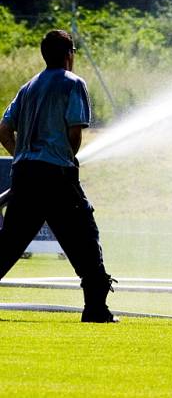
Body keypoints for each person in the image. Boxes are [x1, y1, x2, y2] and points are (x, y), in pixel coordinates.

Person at [0, 30, 118, 323]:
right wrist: (68, 157)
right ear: (69, 54)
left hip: (24, 175)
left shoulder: (28, 87)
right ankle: (96, 309)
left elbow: (3, 129)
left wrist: (22, 156)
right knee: (84, 237)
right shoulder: (73, 83)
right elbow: (74, 132)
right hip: (56, 175)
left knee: (9, 244)